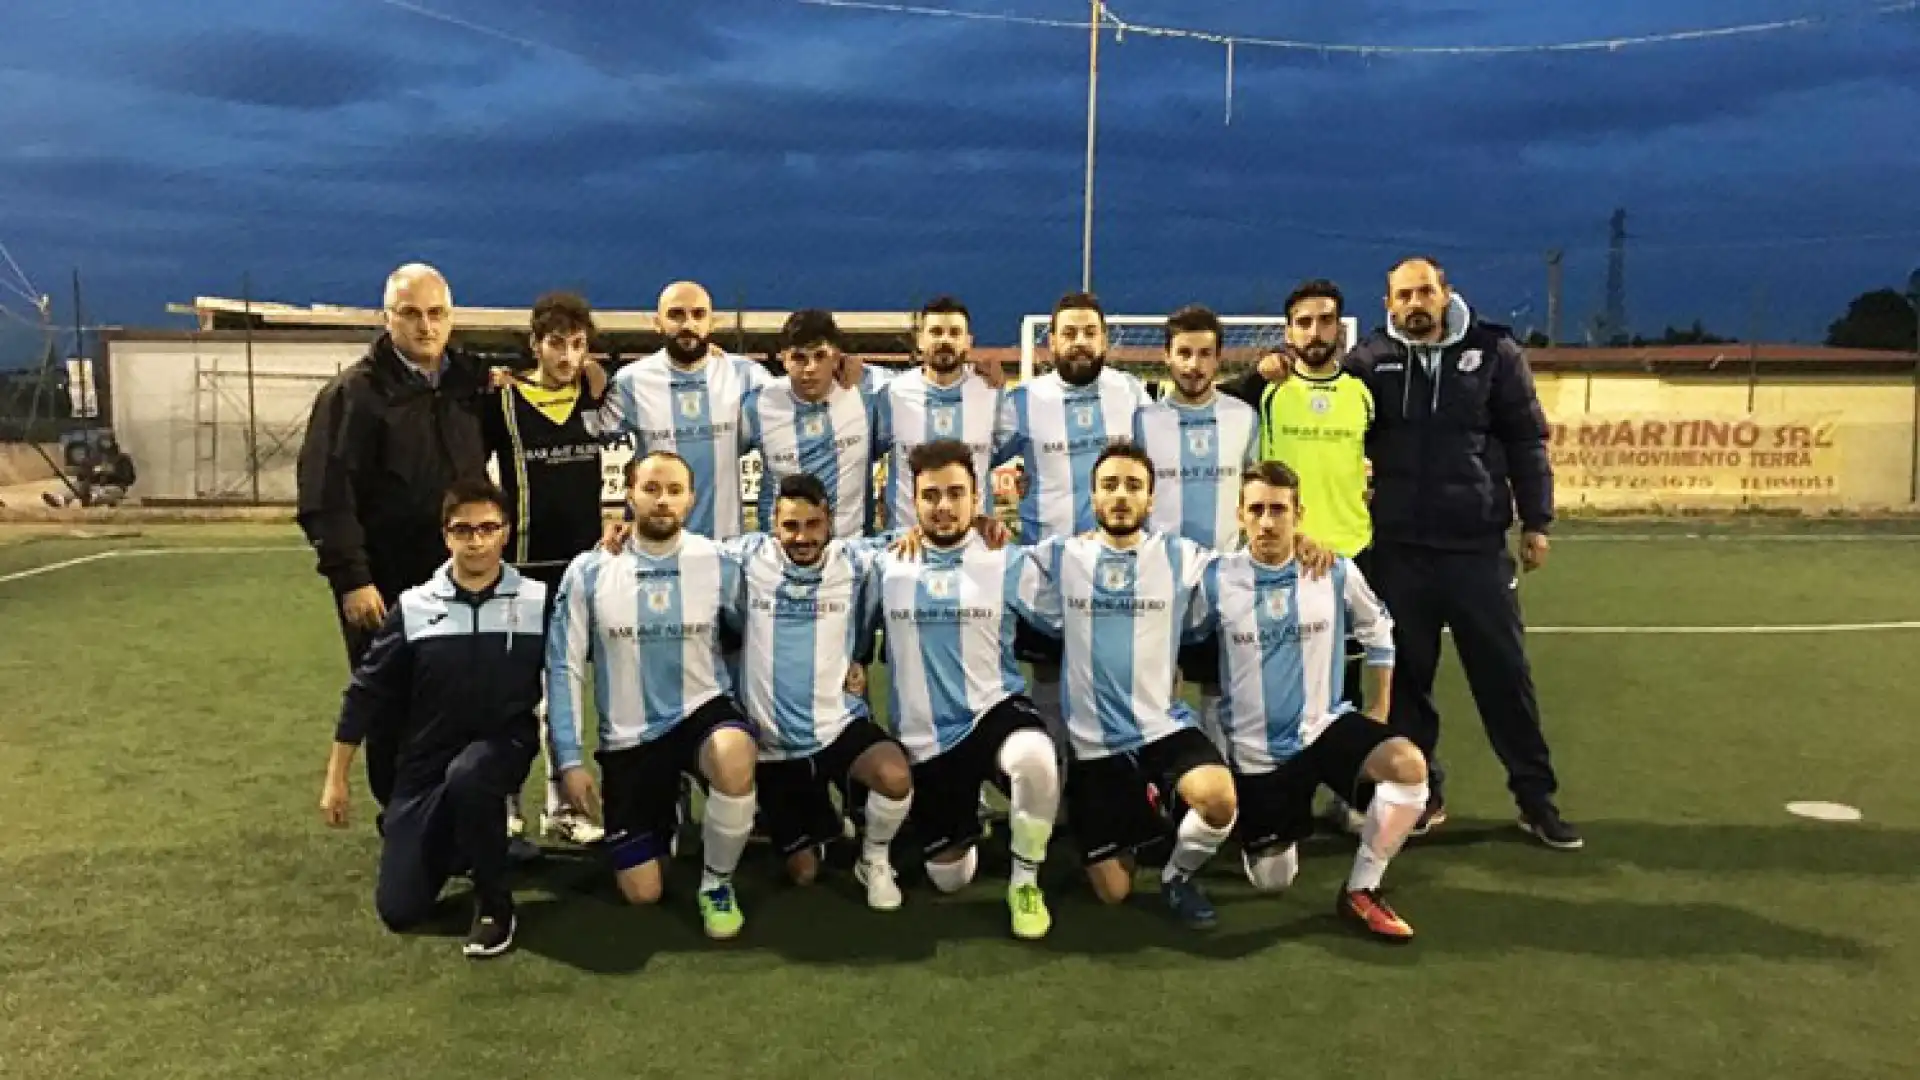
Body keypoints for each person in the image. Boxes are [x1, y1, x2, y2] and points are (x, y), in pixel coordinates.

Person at [1344, 256, 1579, 849]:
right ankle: (1425, 797)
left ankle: (1535, 799)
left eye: (1426, 291)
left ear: (1447, 293)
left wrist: (1537, 521)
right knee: (1408, 684)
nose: (1416, 303)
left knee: (1504, 677)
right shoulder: (1369, 362)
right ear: (1388, 303)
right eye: (1404, 295)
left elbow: (1527, 438)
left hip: (1476, 547)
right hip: (1398, 551)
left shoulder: (1494, 353)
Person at [1190, 461, 1430, 940]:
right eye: (1256, 509)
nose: (1267, 521)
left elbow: (1378, 631)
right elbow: (1176, 646)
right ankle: (1250, 825)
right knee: (1273, 881)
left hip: (1324, 728)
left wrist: (1378, 711)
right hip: (1258, 753)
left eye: (1279, 510)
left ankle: (1362, 889)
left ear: (1298, 515)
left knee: (1408, 767)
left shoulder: (1333, 570)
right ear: (1239, 515)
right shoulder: (1214, 579)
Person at [319, 478, 545, 959]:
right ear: (446, 536)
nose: (477, 540)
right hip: (426, 761)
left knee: (472, 776)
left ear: (506, 532)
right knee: (400, 909)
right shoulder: (416, 605)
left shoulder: (538, 600)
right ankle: (470, 843)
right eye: (463, 530)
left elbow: (568, 675)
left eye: (488, 528)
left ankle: (495, 906)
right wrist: (336, 778)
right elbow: (366, 692)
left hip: (502, 747)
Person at [1018, 443, 1238, 928]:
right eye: (1110, 486)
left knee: (1219, 800)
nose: (1121, 496)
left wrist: (1304, 546)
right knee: (1113, 892)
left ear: (1151, 500)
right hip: (1095, 748)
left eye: (1134, 486)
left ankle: (1178, 876)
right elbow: (988, 565)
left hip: (1162, 727)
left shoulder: (1181, 557)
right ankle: (1144, 814)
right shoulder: (1060, 557)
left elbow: (1247, 572)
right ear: (1093, 498)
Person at [545, 451, 762, 940]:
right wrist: (569, 761)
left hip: (700, 712)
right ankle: (665, 812)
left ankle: (717, 883)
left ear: (691, 499)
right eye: (651, 489)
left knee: (733, 753)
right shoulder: (590, 571)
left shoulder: (719, 561)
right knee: (643, 894)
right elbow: (563, 667)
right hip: (630, 739)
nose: (662, 501)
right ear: (628, 495)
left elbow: (803, 550)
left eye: (674, 491)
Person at [298, 263, 489, 809]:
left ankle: (467, 825)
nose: (425, 326)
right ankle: (406, 825)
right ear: (388, 319)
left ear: (451, 318)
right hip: (386, 588)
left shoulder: (469, 387)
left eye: (436, 314)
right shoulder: (352, 395)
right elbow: (325, 495)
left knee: (461, 704)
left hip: (462, 580)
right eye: (411, 314)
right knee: (394, 706)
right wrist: (352, 578)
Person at [863, 439, 1060, 940]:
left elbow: (1083, 578)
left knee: (1036, 756)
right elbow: (802, 553)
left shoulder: (1006, 560)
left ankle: (1025, 881)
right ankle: (963, 824)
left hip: (993, 711)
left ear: (977, 499)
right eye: (931, 496)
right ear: (913, 499)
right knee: (950, 878)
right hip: (926, 741)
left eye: (956, 494)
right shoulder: (886, 560)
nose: (944, 506)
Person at [1227, 279, 1378, 832]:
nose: (1316, 332)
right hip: (1285, 558)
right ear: (1288, 331)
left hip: (1352, 552)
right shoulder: (1268, 391)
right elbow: (1208, 400)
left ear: (1340, 327)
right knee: (1284, 679)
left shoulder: (1363, 391)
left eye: (1326, 320)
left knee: (1349, 683)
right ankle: (1272, 788)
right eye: (1304, 322)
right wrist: (1253, 374)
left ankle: (1348, 794)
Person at [725, 473, 914, 911]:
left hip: (836, 726)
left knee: (895, 776)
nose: (802, 537)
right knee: (805, 874)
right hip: (774, 749)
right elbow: (679, 547)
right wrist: (623, 528)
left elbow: (917, 536)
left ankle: (875, 859)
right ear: (772, 522)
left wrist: (981, 526)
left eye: (813, 524)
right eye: (791, 526)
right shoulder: (746, 557)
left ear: (829, 521)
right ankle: (820, 819)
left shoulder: (855, 560)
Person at [992, 291, 1151, 744]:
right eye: (1069, 333)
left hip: (1121, 566)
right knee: (1047, 676)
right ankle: (1054, 787)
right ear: (1051, 343)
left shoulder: (1131, 393)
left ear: (1105, 340)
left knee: (1120, 675)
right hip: (1049, 567)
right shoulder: (1022, 401)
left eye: (1089, 332)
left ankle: (1117, 780)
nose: (1079, 342)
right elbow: (974, 458)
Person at [481, 291, 610, 847]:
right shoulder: (502, 401)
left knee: (567, 688)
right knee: (514, 690)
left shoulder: (594, 394)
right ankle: (506, 798)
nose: (567, 355)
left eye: (578, 345)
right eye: (557, 343)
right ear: (536, 344)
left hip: (580, 569)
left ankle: (565, 806)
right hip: (523, 568)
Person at [1131, 304, 1260, 753]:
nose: (1193, 364)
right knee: (1157, 694)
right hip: (1160, 579)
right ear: (1167, 356)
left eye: (1204, 354)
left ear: (1218, 358)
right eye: (1184, 352)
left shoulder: (1243, 416)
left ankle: (1220, 786)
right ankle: (1164, 787)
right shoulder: (1143, 421)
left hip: (1223, 578)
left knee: (1219, 693)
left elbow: (1254, 489)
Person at [585, 281, 772, 540]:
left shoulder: (747, 376)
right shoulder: (632, 382)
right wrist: (587, 387)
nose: (688, 325)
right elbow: (587, 434)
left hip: (726, 547)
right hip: (654, 546)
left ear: (712, 322)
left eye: (698, 314)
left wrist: (843, 366)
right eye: (676, 315)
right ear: (657, 322)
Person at [740, 310, 880, 541]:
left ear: (836, 357)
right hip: (780, 555)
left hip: (851, 553)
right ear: (783, 358)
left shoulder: (867, 394)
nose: (810, 367)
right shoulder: (757, 405)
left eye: (820, 356)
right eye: (799, 358)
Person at [872, 296, 1002, 533]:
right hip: (907, 545)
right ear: (920, 340)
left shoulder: (991, 393)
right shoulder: (892, 394)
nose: (945, 340)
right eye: (936, 332)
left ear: (968, 341)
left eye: (954, 333)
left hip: (973, 543)